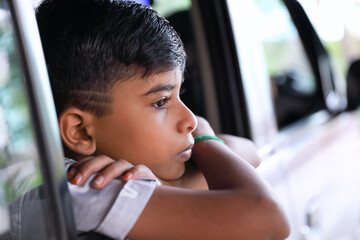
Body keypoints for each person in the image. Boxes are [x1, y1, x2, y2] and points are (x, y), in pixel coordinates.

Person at [34, 0, 290, 239]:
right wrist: (203, 143)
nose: (190, 118)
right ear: (81, 132)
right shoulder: (83, 186)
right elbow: (269, 217)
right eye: (160, 102)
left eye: (181, 94)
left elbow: (250, 151)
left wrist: (172, 176)